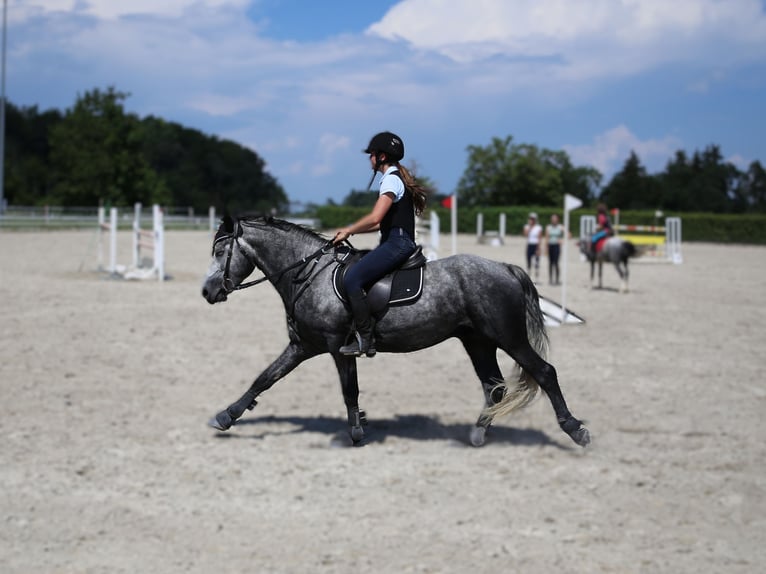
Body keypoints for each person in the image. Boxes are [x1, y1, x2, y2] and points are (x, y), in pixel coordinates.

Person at [332, 131, 428, 357]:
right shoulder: (396, 178)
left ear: (381, 157)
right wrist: (352, 233)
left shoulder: (391, 180)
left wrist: (348, 229)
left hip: (398, 243)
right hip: (396, 240)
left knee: (352, 278)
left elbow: (375, 218)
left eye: (371, 155)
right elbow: (379, 224)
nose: (369, 159)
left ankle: (365, 338)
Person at [545, 213, 565, 285]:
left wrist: (562, 240)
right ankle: (550, 279)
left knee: (556, 263)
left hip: (557, 246)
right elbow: (547, 238)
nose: (554, 220)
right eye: (552, 219)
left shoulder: (560, 227)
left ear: (557, 219)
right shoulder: (548, 227)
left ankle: (557, 280)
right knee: (550, 263)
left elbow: (569, 235)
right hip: (550, 245)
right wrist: (546, 248)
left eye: (555, 218)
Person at [523, 212, 542, 280]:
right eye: (531, 219)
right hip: (529, 245)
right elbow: (525, 235)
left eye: (533, 219)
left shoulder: (538, 227)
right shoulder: (526, 226)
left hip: (536, 245)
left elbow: (539, 238)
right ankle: (529, 278)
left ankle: (537, 278)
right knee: (528, 260)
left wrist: (538, 248)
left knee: (536, 262)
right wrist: (530, 227)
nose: (532, 220)